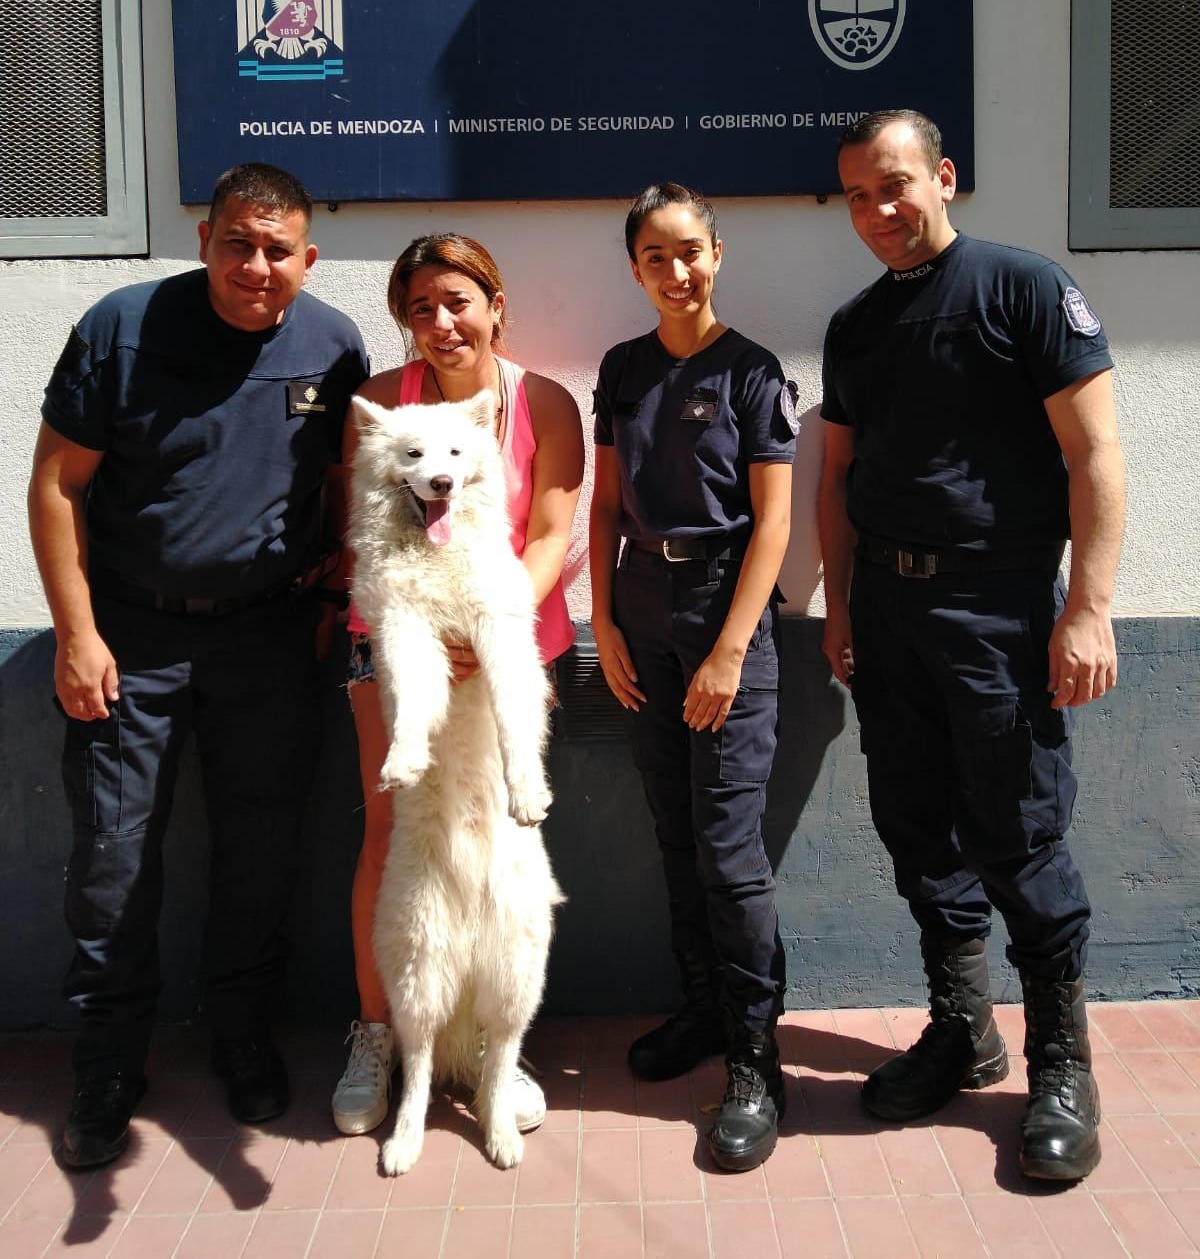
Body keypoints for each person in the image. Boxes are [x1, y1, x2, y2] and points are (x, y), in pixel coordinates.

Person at [27, 163, 369, 1170]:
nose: (256, 267)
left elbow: (342, 480)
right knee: (114, 860)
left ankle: (242, 1036)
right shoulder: (122, 330)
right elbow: (56, 485)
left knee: (261, 850)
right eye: (237, 244)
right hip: (129, 639)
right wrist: (76, 633)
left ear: (308, 257)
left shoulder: (332, 345)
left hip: (269, 638)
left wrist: (330, 588)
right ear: (205, 240)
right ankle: (107, 1067)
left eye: (278, 250)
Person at [818, 109, 1125, 1183]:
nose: (878, 210)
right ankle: (964, 1028)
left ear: (943, 177)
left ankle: (1061, 1061)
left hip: (1000, 606)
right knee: (916, 824)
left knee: (1018, 831)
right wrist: (842, 607)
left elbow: (1095, 454)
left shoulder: (1023, 288)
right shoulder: (855, 325)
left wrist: (1089, 607)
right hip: (889, 611)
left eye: (895, 184)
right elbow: (838, 475)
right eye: (858, 195)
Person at [330, 233, 583, 1136]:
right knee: (393, 835)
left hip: (507, 636)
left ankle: (490, 1049)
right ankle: (379, 1034)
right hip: (395, 644)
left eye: (457, 302)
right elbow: (372, 529)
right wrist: (430, 638)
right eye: (421, 308)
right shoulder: (382, 406)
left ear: (494, 304)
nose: (441, 323)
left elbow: (550, 534)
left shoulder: (543, 403)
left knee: (503, 843)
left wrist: (484, 628)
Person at [590, 184, 796, 1173]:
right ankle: (704, 1007)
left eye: (689, 252)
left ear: (718, 254)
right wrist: (603, 622)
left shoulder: (752, 371)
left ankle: (757, 1056)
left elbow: (776, 522)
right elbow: (603, 506)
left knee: (729, 848)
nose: (675, 272)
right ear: (635, 269)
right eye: (654, 258)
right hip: (640, 607)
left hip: (724, 609)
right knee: (675, 829)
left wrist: (728, 649)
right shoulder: (623, 369)